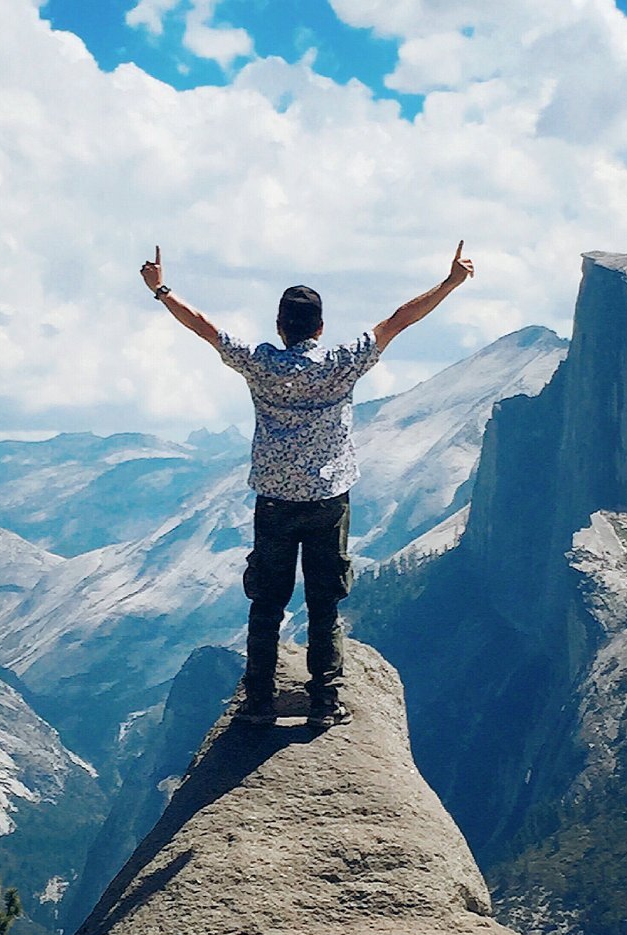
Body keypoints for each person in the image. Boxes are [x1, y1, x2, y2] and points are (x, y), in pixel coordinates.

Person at [139, 242, 474, 726]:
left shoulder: (260, 363)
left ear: (280, 327)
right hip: (327, 501)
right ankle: (324, 702)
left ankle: (259, 704)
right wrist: (450, 283)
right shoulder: (343, 361)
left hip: (274, 503)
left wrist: (161, 290)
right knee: (324, 603)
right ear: (320, 328)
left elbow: (206, 329)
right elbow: (399, 319)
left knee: (267, 604)